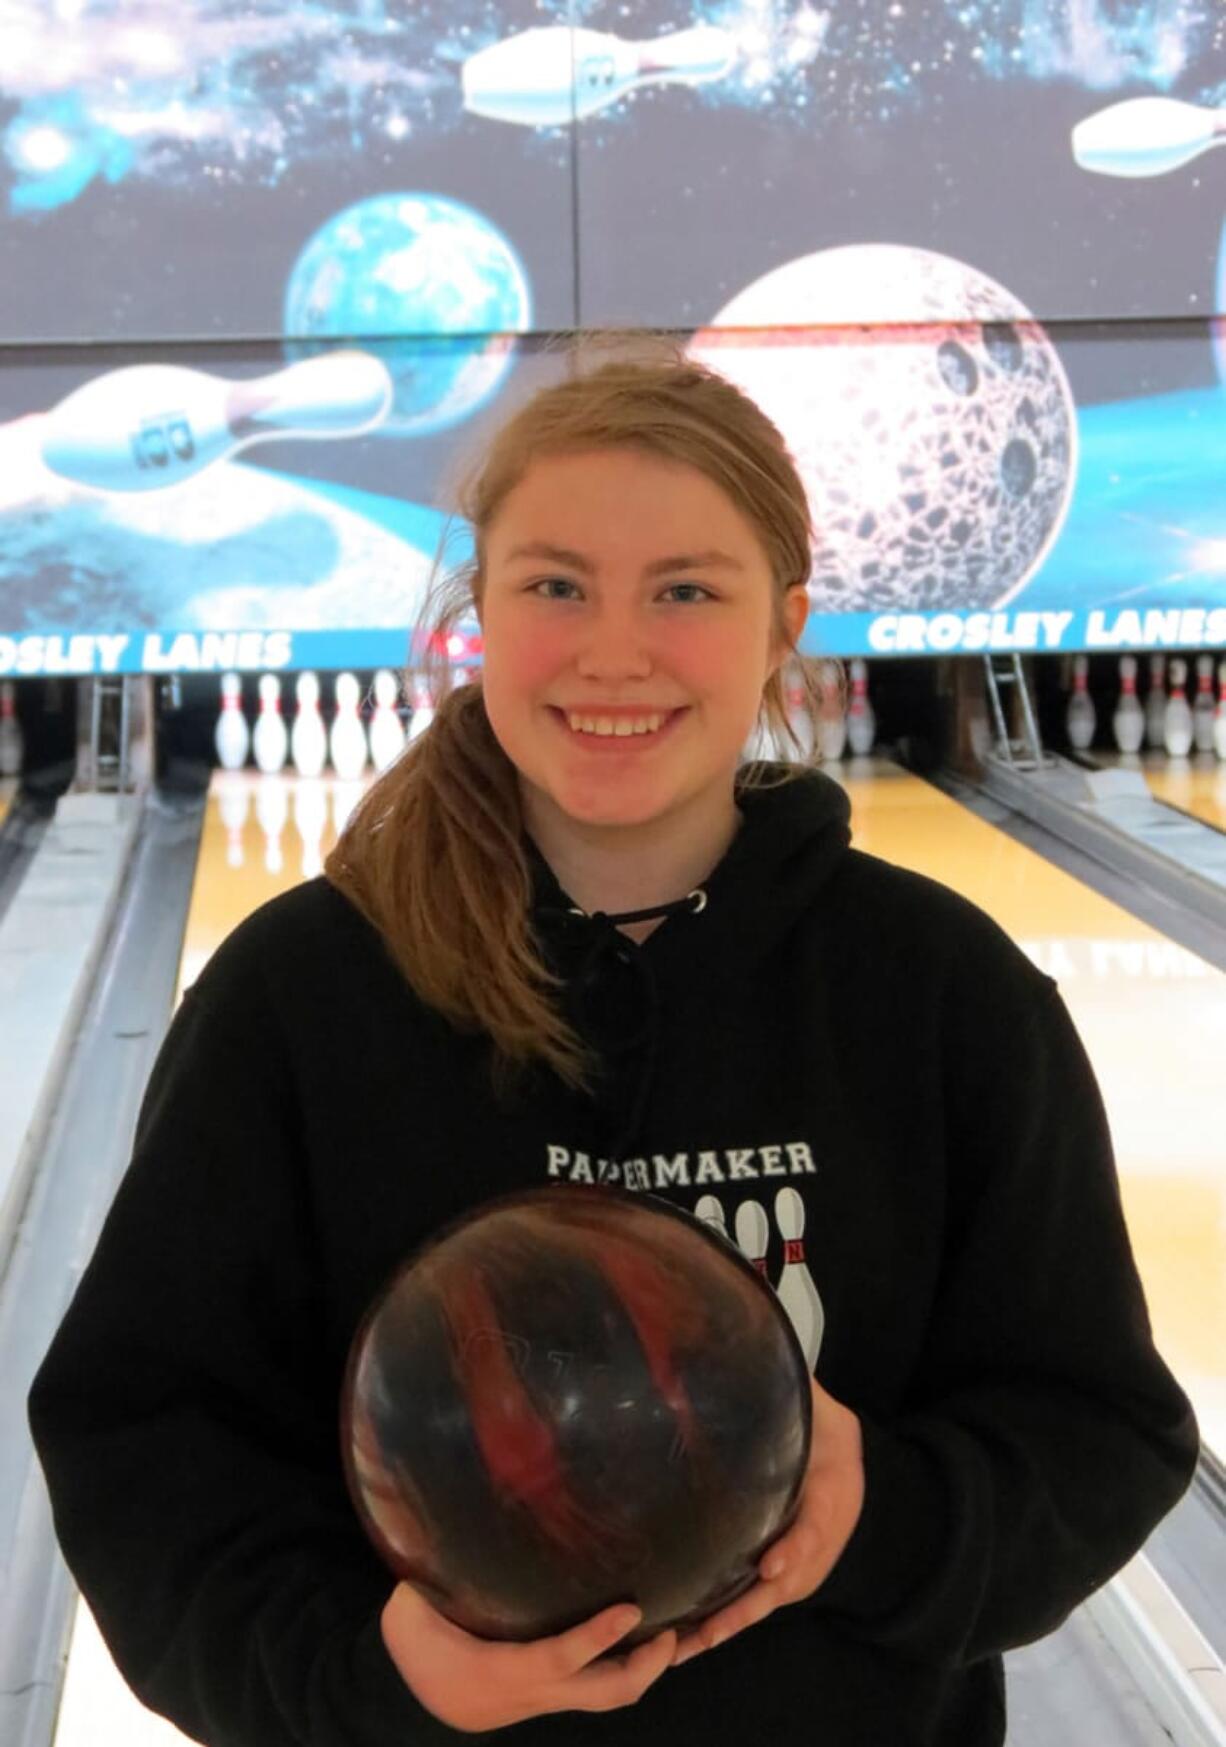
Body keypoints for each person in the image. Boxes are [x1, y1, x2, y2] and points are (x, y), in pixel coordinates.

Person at [29, 334, 1198, 1747]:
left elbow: (1097, 1428)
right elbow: (150, 1449)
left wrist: (879, 1512)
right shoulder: (298, 1002)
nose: (613, 650)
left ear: (783, 626)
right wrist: (373, 1675)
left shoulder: (938, 989)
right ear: (481, 617)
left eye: (687, 591)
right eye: (555, 587)